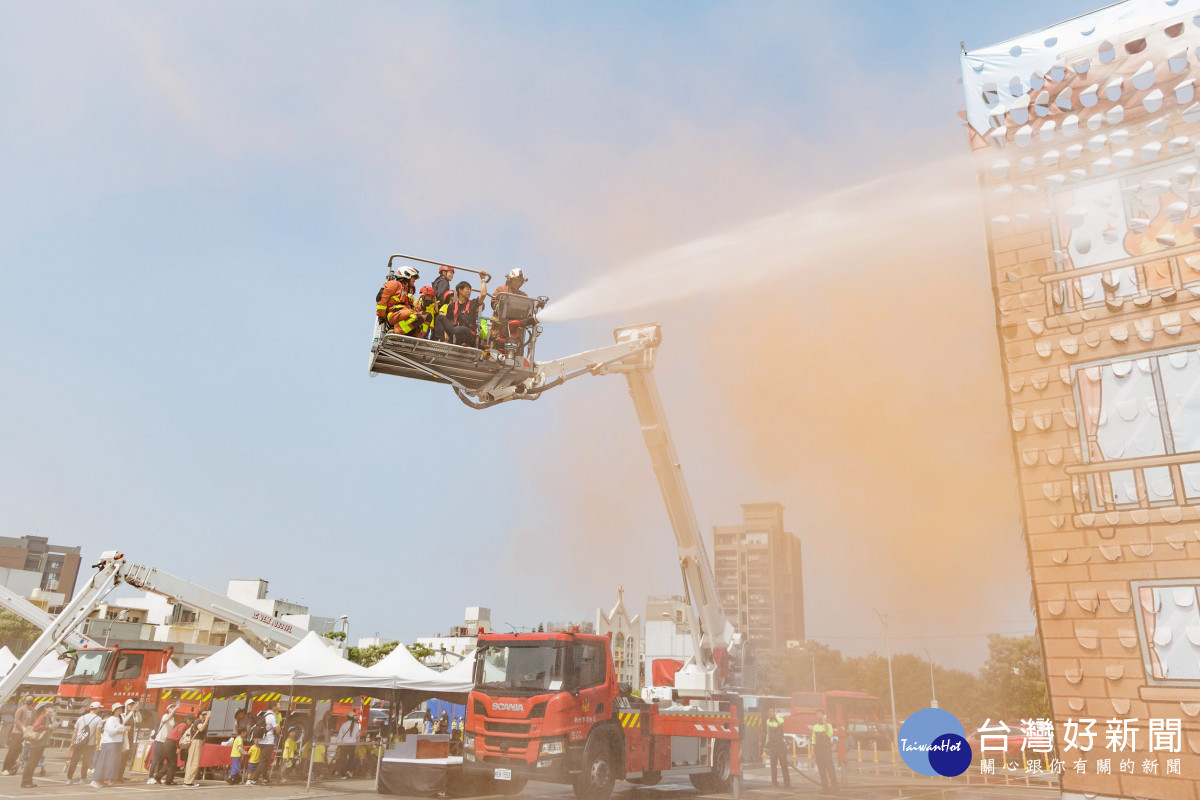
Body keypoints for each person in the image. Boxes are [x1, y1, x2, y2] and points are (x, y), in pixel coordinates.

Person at [490, 268, 530, 356]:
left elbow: (527, 309)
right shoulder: (501, 290)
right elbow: (494, 303)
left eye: (520, 281)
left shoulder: (523, 296)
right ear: (510, 279)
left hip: (515, 331)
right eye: (516, 280)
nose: (518, 283)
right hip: (498, 328)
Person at [434, 281, 483, 346]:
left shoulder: (473, 303)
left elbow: (483, 294)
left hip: (468, 334)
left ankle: (464, 342)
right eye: (467, 289)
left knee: (459, 329)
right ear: (460, 290)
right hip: (455, 332)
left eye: (470, 290)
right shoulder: (451, 306)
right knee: (439, 317)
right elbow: (448, 322)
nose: (469, 292)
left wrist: (483, 280)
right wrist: (446, 338)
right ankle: (440, 341)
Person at [66, 700, 103, 784]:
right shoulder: (98, 719)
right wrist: (98, 743)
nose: (100, 710)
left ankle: (69, 779)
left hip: (78, 743)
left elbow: (75, 732)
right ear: (97, 709)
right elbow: (98, 732)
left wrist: (72, 742)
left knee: (74, 761)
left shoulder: (81, 718)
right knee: (85, 762)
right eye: (99, 708)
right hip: (89, 744)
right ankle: (83, 778)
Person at [92, 704, 127, 788]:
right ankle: (96, 779)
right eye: (118, 708)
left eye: (121, 708)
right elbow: (111, 731)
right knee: (104, 761)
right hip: (109, 743)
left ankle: (107, 778)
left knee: (112, 762)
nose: (120, 710)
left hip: (116, 743)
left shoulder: (119, 719)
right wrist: (123, 731)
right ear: (114, 710)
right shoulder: (111, 719)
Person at [19, 702, 53, 788]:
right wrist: (47, 727)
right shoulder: (42, 717)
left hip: (42, 743)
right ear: (46, 708)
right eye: (51, 707)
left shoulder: (49, 717)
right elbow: (36, 727)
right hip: (37, 743)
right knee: (31, 762)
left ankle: (29, 781)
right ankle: (25, 782)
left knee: (34, 763)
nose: (53, 709)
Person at [147, 703, 178, 784]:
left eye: (173, 707)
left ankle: (158, 777)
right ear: (167, 709)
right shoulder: (165, 715)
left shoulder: (173, 719)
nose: (172, 709)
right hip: (159, 740)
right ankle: (150, 777)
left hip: (166, 741)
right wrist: (174, 710)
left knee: (162, 760)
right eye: (171, 707)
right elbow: (166, 719)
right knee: (155, 759)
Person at [2, 697, 33, 775]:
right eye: (28, 700)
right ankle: (5, 768)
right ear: (25, 701)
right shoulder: (21, 709)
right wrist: (22, 727)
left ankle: (12, 766)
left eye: (31, 700)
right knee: (13, 750)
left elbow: (34, 720)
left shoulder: (34, 711)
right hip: (17, 732)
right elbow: (16, 720)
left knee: (19, 751)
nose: (29, 701)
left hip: (27, 733)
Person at [811, 710, 839, 792]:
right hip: (818, 749)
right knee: (821, 769)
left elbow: (830, 734)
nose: (818, 716)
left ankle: (835, 787)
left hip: (826, 749)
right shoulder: (815, 727)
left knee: (830, 768)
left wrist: (824, 721)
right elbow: (813, 739)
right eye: (817, 714)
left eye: (820, 714)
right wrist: (812, 751)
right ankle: (825, 787)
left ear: (823, 715)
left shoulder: (828, 725)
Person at [764, 707, 790, 789]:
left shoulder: (779, 719)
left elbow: (781, 722)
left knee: (784, 765)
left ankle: (787, 783)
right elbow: (768, 733)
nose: (770, 713)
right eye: (769, 711)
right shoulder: (768, 721)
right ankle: (774, 783)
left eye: (772, 711)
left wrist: (775, 716)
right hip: (773, 746)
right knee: (773, 766)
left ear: (775, 712)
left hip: (780, 745)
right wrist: (766, 743)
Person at [182, 709, 210, 787]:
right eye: (203, 714)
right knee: (193, 762)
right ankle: (188, 782)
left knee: (192, 761)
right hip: (196, 742)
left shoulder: (200, 722)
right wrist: (206, 720)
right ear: (200, 715)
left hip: (197, 742)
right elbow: (201, 728)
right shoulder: (198, 721)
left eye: (206, 714)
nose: (205, 716)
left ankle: (188, 780)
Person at [257, 700, 280, 784]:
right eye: (277, 705)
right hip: (268, 741)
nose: (278, 706)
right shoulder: (272, 717)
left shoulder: (266, 714)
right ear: (273, 706)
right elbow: (277, 730)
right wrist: (279, 728)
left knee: (264, 761)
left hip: (262, 740)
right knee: (263, 761)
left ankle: (265, 778)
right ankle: (254, 779)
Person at [335, 712, 360, 779]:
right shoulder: (357, 725)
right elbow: (357, 736)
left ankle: (343, 775)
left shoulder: (344, 725)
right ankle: (349, 770)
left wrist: (338, 744)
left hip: (344, 744)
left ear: (348, 717)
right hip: (352, 744)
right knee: (351, 759)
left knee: (343, 759)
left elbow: (340, 735)